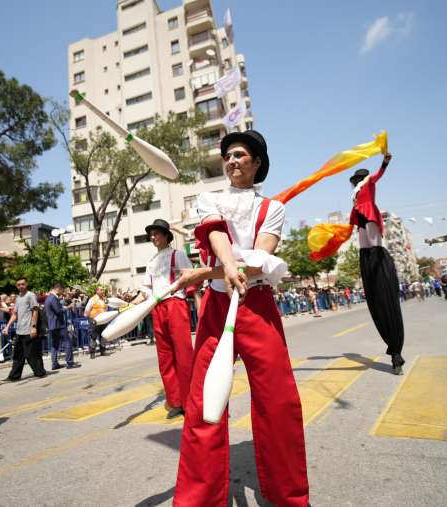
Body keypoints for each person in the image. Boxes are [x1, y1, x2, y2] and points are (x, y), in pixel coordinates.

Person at [171, 130, 308, 506]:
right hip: (217, 309)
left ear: (257, 163)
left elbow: (259, 262)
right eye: (228, 155)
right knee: (202, 407)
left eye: (240, 155)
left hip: (257, 307)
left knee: (279, 405)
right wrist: (226, 267)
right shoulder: (208, 199)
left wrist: (206, 273)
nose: (232, 161)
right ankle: (198, 500)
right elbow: (215, 234)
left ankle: (289, 498)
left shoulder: (273, 208)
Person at [130, 219, 194, 419]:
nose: (153, 237)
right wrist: (130, 305)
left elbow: (190, 277)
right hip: (157, 307)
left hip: (175, 304)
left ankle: (191, 401)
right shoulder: (151, 262)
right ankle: (175, 401)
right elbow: (145, 291)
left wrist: (176, 287)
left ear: (167, 235)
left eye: (157, 233)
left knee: (183, 355)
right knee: (165, 357)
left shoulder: (179, 254)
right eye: (151, 234)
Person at [348, 153, 406, 375]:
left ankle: (377, 259)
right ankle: (370, 258)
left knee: (373, 245)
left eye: (356, 179)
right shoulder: (355, 193)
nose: (354, 182)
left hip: (369, 216)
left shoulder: (368, 183)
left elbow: (379, 175)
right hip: (360, 219)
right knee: (364, 246)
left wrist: (385, 162)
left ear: (360, 179)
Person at [5, 277, 47, 380]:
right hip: (20, 331)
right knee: (18, 355)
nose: (21, 286)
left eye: (22, 284)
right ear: (16, 286)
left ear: (26, 284)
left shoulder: (30, 295)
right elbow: (15, 314)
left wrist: (33, 327)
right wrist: (7, 326)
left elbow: (35, 311)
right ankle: (14, 376)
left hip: (29, 330)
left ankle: (40, 372)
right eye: (19, 284)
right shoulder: (18, 298)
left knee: (32, 354)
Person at [45, 284, 80, 370]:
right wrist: (69, 307)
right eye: (61, 290)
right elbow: (59, 311)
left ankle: (54, 364)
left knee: (54, 345)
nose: (62, 292)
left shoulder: (48, 298)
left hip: (52, 325)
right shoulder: (53, 298)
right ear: (58, 289)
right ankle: (70, 363)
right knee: (67, 342)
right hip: (58, 325)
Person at [84, 287, 109, 358]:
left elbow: (105, 309)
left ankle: (103, 351)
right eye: (101, 290)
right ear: (97, 291)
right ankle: (92, 353)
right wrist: (89, 318)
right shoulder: (92, 299)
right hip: (94, 320)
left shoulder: (104, 300)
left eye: (102, 290)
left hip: (103, 320)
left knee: (103, 336)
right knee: (93, 336)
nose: (102, 291)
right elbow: (87, 310)